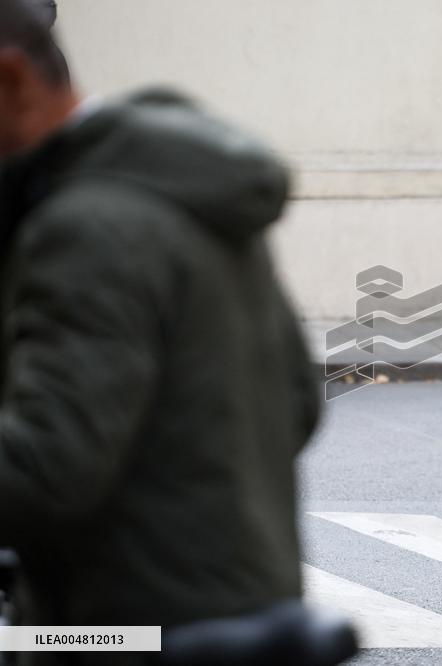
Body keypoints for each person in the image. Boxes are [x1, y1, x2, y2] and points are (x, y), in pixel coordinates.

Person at [0, 0, 320, 662]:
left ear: (12, 80)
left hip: (130, 627)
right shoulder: (178, 188)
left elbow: (45, 469)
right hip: (238, 602)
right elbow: (297, 400)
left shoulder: (87, 227)